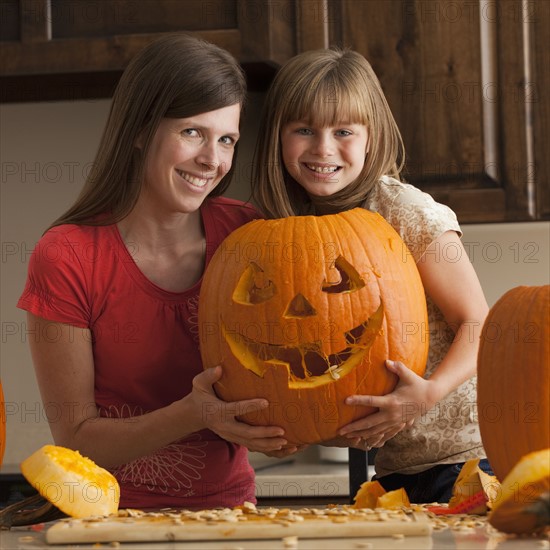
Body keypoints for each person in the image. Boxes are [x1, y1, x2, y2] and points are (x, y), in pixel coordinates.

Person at [17, 33, 295, 510]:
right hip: (111, 522)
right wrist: (193, 414)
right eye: (192, 132)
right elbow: (76, 440)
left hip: (234, 517)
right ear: (142, 128)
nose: (213, 159)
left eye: (226, 139)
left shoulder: (248, 236)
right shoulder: (66, 256)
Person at [251, 47, 492, 503]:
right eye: (304, 130)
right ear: (277, 138)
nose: (323, 148)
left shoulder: (403, 211)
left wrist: (429, 393)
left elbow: (481, 323)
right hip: (396, 469)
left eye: (343, 131)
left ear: (370, 136)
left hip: (468, 461)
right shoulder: (288, 227)